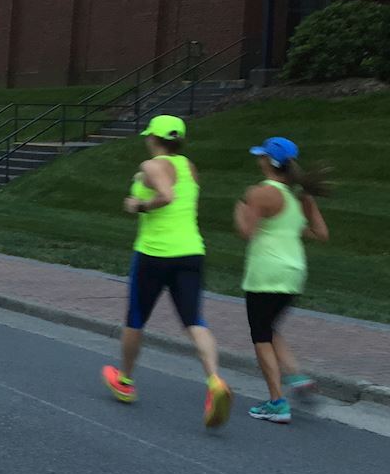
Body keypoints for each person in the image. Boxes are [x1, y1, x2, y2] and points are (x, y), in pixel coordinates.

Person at [101, 115, 233, 428]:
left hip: (154, 254)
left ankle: (125, 380)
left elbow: (166, 195)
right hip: (191, 252)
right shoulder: (189, 166)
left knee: (136, 319)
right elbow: (178, 190)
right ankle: (214, 380)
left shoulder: (152, 166)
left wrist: (138, 205)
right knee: (194, 320)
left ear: (153, 139)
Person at [234, 136, 330, 424]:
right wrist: (292, 230)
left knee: (260, 335)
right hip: (294, 272)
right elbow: (321, 234)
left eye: (261, 155)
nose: (258, 159)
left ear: (268, 161)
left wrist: (239, 212)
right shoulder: (301, 196)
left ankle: (277, 402)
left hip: (266, 272)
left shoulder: (260, 192)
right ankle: (297, 377)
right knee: (270, 326)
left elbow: (247, 232)